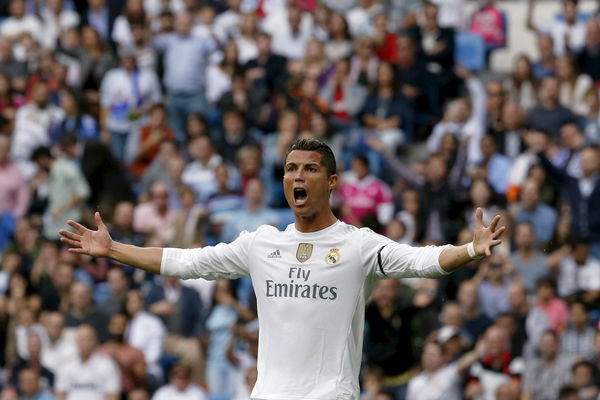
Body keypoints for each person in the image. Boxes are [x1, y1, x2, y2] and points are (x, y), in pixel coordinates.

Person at [59, 138, 505, 399]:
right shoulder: (262, 244)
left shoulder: (358, 245)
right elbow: (186, 262)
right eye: (291, 168)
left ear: (330, 182)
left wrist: (470, 248)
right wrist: (115, 249)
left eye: (310, 169)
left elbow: (422, 262)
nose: (298, 176)